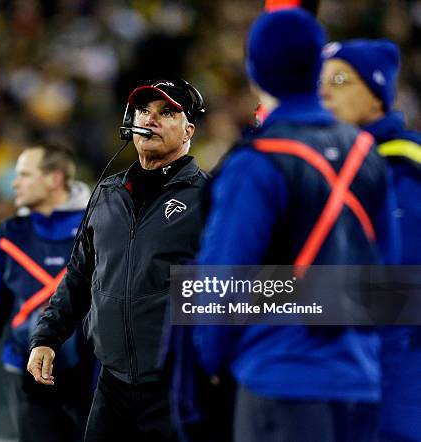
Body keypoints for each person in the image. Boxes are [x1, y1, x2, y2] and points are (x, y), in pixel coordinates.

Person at [175, 9, 398, 442]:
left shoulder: (255, 163)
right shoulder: (366, 153)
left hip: (279, 381)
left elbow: (222, 281)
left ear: (254, 71)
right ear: (319, 67)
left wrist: (211, 360)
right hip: (360, 384)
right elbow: (386, 281)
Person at [27, 78, 210, 441]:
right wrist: (47, 337)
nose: (151, 119)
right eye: (144, 111)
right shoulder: (108, 193)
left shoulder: (208, 198)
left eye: (167, 112)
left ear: (188, 129)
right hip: (112, 385)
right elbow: (79, 274)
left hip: (174, 386)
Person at [0, 143, 93, 442]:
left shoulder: (98, 224)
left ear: (54, 179)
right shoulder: (10, 234)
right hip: (26, 376)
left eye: (24, 174)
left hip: (90, 375)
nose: (14, 182)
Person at [321, 39, 421, 442]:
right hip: (340, 373)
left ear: (378, 94)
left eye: (341, 80)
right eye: (321, 81)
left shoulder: (404, 170)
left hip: (396, 383)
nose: (326, 91)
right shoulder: (333, 161)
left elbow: (399, 295)